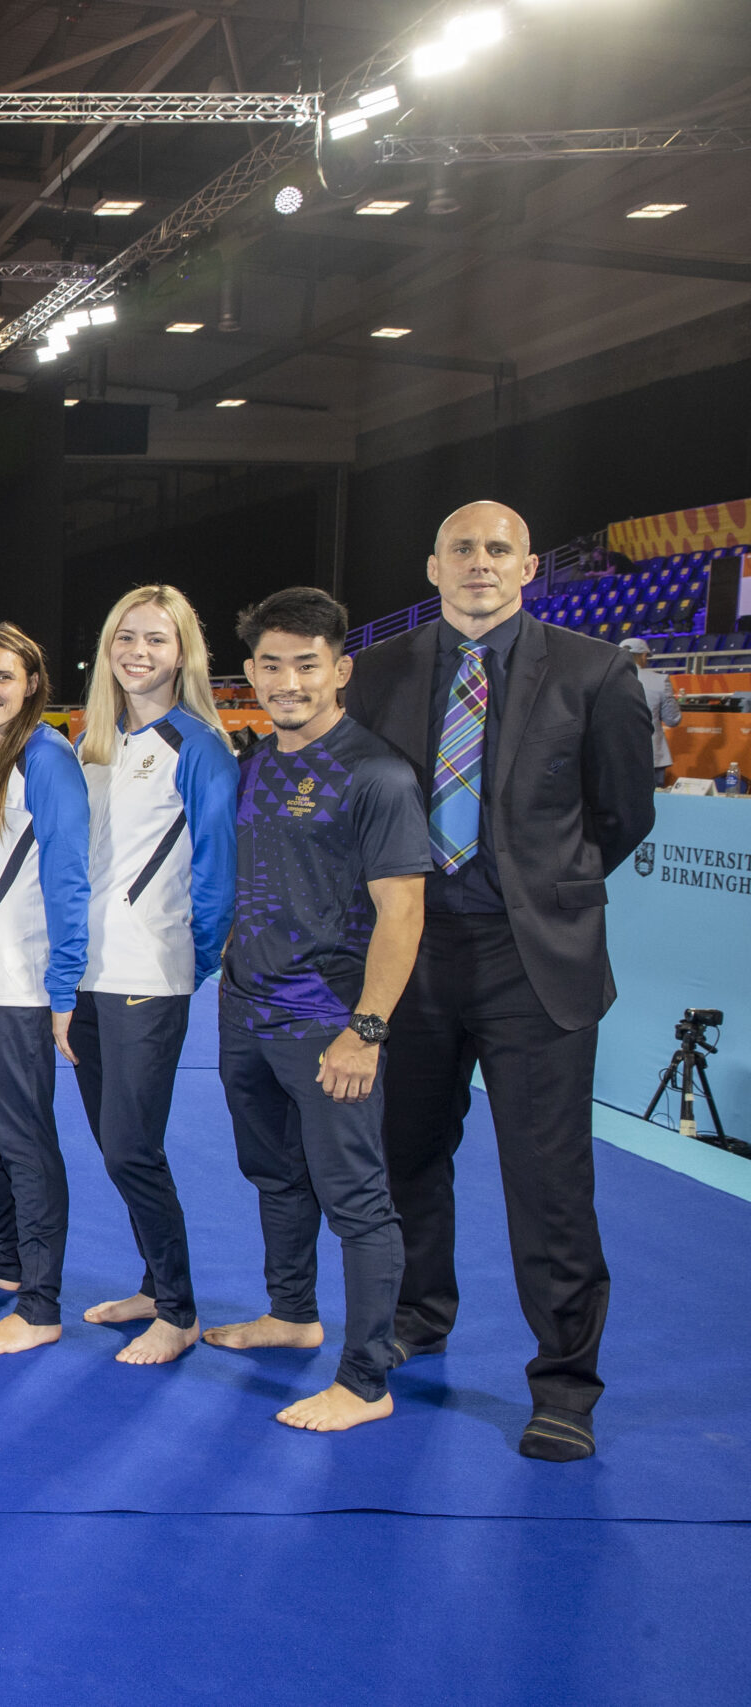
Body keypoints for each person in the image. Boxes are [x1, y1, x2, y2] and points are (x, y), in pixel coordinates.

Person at [346, 502, 655, 1461]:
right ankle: (417, 1312)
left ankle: (565, 1382)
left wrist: (538, 892)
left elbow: (623, 813)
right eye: (462, 549)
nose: (480, 564)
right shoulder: (384, 671)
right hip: (414, 953)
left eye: (498, 549)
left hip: (535, 962)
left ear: (528, 565)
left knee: (549, 1179)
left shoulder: (596, 671)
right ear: (431, 563)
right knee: (406, 1154)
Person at [206, 588, 428, 1433]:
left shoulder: (375, 772)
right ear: (252, 670)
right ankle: (291, 1312)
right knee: (276, 1174)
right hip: (244, 1007)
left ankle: (366, 1381)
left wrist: (365, 1029)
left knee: (358, 1201)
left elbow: (403, 912)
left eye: (307, 664)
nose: (288, 680)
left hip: (326, 1020)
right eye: (271, 663)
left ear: (341, 668)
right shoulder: (258, 758)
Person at [68, 587, 237, 1365]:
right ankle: (149, 1281)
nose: (138, 651)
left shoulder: (198, 746)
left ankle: (178, 1308)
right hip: (91, 977)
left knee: (133, 1147)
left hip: (149, 975)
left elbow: (218, 878)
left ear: (183, 654)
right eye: (124, 636)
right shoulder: (93, 745)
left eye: (156, 640)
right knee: (112, 1145)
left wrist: (186, 963)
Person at [0, 623, 89, 1355]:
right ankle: (5, 1257)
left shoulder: (49, 758)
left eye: (4, 677)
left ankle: (40, 1302)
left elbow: (69, 879)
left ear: (32, 682)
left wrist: (64, 987)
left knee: (26, 1141)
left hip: (21, 985)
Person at [619, 638, 681, 787]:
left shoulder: (605, 680)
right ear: (643, 656)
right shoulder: (660, 680)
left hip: (616, 755)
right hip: (651, 755)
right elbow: (673, 719)